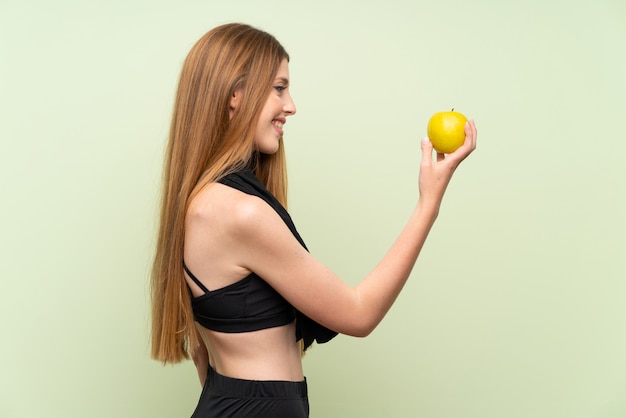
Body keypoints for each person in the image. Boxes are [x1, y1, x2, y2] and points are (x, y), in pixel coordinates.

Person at [150, 22, 477, 418]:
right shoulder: (240, 211)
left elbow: (206, 358)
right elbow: (358, 314)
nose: (291, 105)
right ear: (236, 95)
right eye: (279, 87)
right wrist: (429, 203)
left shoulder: (203, 202)